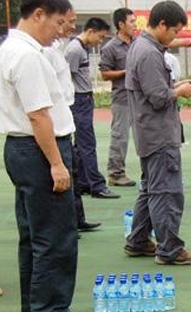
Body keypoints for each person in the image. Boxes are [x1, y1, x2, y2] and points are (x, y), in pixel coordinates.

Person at [0, 0, 87, 312]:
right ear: (38, 15)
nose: (60, 32)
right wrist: (56, 163)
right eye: (58, 23)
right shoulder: (27, 56)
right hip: (40, 151)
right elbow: (39, 115)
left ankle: (34, 303)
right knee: (55, 234)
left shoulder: (10, 48)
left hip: (21, 149)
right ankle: (51, 309)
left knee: (33, 233)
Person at [123, 0, 191, 266]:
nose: (174, 36)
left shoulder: (142, 47)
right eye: (174, 31)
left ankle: (138, 240)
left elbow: (153, 89)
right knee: (166, 192)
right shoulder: (149, 52)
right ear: (162, 24)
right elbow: (158, 97)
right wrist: (179, 91)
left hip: (149, 133)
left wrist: (176, 86)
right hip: (158, 134)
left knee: (151, 190)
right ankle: (169, 249)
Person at [43, 7, 101, 233]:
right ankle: (67, 225)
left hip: (66, 118)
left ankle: (76, 219)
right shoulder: (42, 52)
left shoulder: (58, 47)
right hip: (56, 124)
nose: (70, 27)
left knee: (73, 172)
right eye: (67, 22)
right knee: (62, 176)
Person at [65, 16, 119, 199]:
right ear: (90, 31)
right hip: (78, 100)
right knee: (87, 144)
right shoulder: (74, 50)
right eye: (100, 37)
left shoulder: (82, 48)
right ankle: (97, 185)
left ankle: (83, 183)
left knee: (82, 145)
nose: (100, 41)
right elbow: (66, 78)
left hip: (84, 99)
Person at [99, 8, 138, 188]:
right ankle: (115, 173)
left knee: (145, 135)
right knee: (120, 137)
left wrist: (187, 42)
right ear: (121, 24)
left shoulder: (138, 43)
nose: (134, 25)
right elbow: (105, 74)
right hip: (122, 98)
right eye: (131, 21)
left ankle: (150, 172)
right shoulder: (110, 48)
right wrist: (125, 71)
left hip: (140, 98)